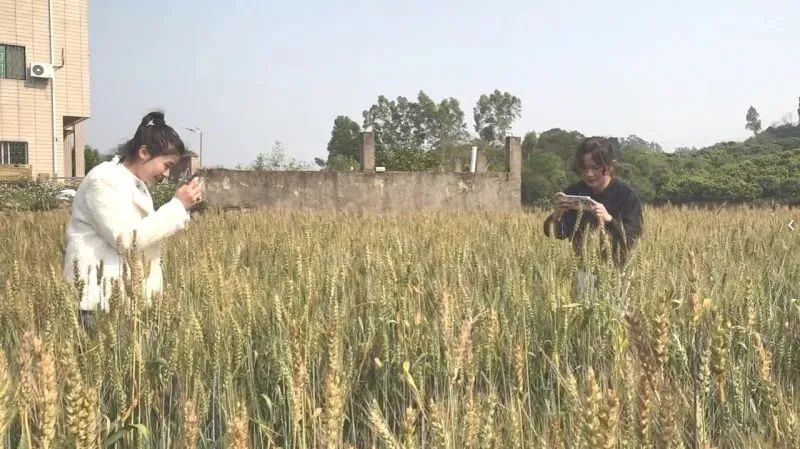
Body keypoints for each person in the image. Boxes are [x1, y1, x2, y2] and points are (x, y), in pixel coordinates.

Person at [63, 111, 203, 321]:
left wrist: (182, 207)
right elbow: (126, 240)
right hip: (98, 303)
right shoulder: (103, 180)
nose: (166, 174)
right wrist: (177, 206)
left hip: (123, 301)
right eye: (167, 165)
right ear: (144, 152)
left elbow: (145, 234)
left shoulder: (135, 184)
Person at [543, 137, 643, 293]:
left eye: (595, 168)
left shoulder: (626, 195)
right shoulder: (575, 192)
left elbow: (633, 236)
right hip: (584, 271)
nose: (589, 174)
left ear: (610, 166)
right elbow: (560, 234)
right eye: (583, 168)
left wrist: (608, 219)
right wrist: (557, 215)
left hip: (618, 272)